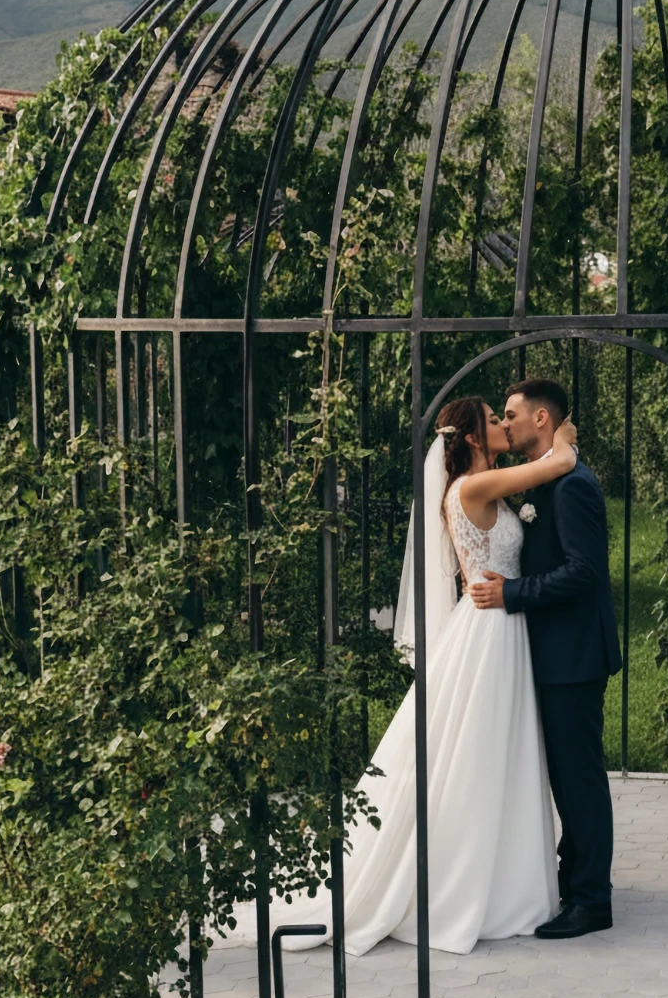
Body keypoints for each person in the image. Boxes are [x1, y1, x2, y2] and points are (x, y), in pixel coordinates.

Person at [216, 394, 580, 956]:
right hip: (489, 632)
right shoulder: (472, 488)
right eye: (493, 420)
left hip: (502, 626)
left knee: (496, 754)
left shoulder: (483, 485)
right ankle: (465, 885)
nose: (503, 426)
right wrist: (564, 437)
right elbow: (558, 464)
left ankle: (506, 880)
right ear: (473, 437)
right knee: (480, 753)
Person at [469, 377, 621, 937]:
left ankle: (592, 899)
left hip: (574, 656)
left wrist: (513, 593)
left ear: (541, 419)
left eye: (511, 414)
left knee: (579, 779)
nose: (505, 424)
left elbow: (585, 571)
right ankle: (573, 877)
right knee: (563, 776)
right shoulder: (543, 479)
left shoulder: (573, 485)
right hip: (550, 654)